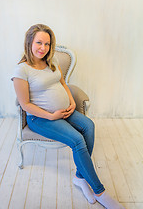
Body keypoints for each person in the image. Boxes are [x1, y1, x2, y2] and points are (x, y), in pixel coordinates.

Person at [11, 24, 125, 209]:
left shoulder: (51, 60)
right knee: (77, 140)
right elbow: (25, 105)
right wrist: (51, 115)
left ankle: (80, 178)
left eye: (47, 44)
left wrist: (71, 101)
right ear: (29, 42)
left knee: (88, 126)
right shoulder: (21, 71)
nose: (43, 48)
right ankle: (100, 191)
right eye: (39, 42)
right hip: (40, 119)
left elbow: (63, 82)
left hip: (64, 112)